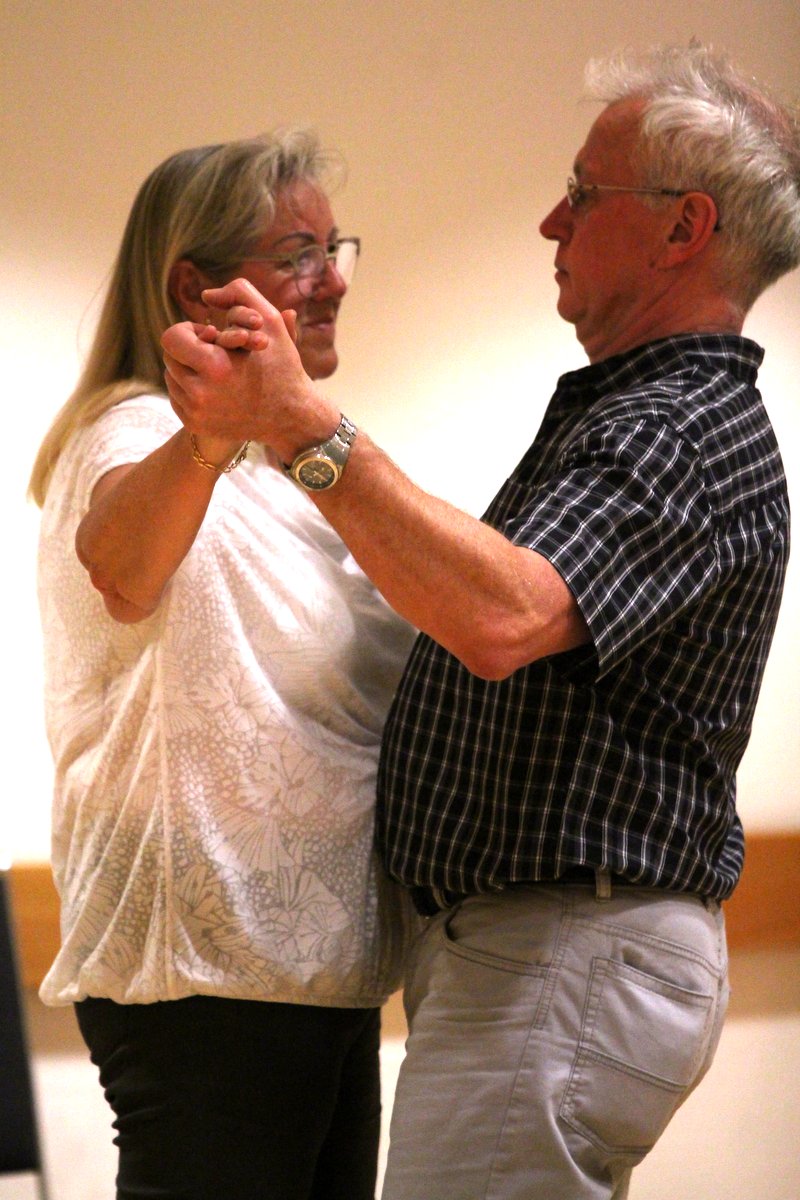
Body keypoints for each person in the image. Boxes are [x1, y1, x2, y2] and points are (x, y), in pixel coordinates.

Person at [160, 44, 799, 1200]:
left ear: (681, 228)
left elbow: (501, 615)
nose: (552, 220)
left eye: (583, 193)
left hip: (559, 951)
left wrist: (303, 429)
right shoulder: (641, 412)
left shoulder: (676, 425)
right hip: (536, 955)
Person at [29, 130, 416, 1200]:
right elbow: (120, 564)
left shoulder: (278, 466)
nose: (333, 278)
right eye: (297, 254)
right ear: (193, 291)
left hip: (313, 976)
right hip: (204, 976)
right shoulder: (132, 431)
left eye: (334, 247)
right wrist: (206, 435)